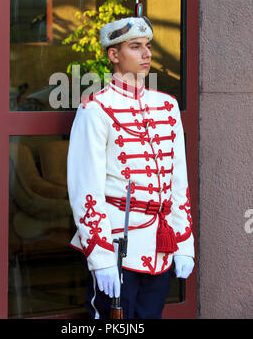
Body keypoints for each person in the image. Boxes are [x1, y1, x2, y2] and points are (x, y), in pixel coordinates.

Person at [67, 16, 195, 319]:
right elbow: (86, 191)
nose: (146, 54)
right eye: (135, 47)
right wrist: (100, 258)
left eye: (147, 46)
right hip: (116, 246)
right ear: (114, 55)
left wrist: (184, 241)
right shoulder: (96, 109)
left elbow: (178, 181)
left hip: (161, 246)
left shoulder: (167, 106)